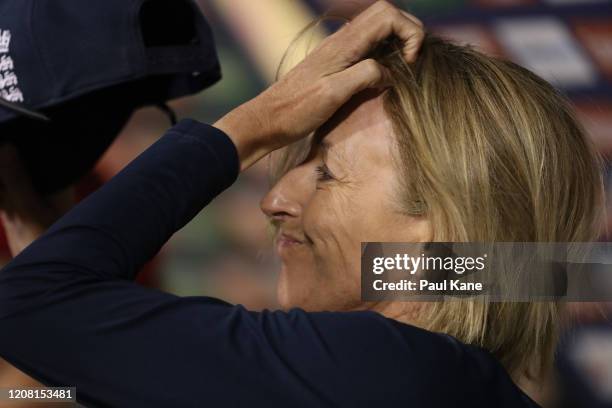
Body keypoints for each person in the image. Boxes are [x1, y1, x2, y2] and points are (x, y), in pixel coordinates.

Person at [0, 1, 603, 407]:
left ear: (443, 224)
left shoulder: (394, 371)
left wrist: (261, 122)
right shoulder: (416, 376)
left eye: (327, 173)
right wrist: (45, 369)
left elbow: (27, 305)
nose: (276, 199)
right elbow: (64, 385)